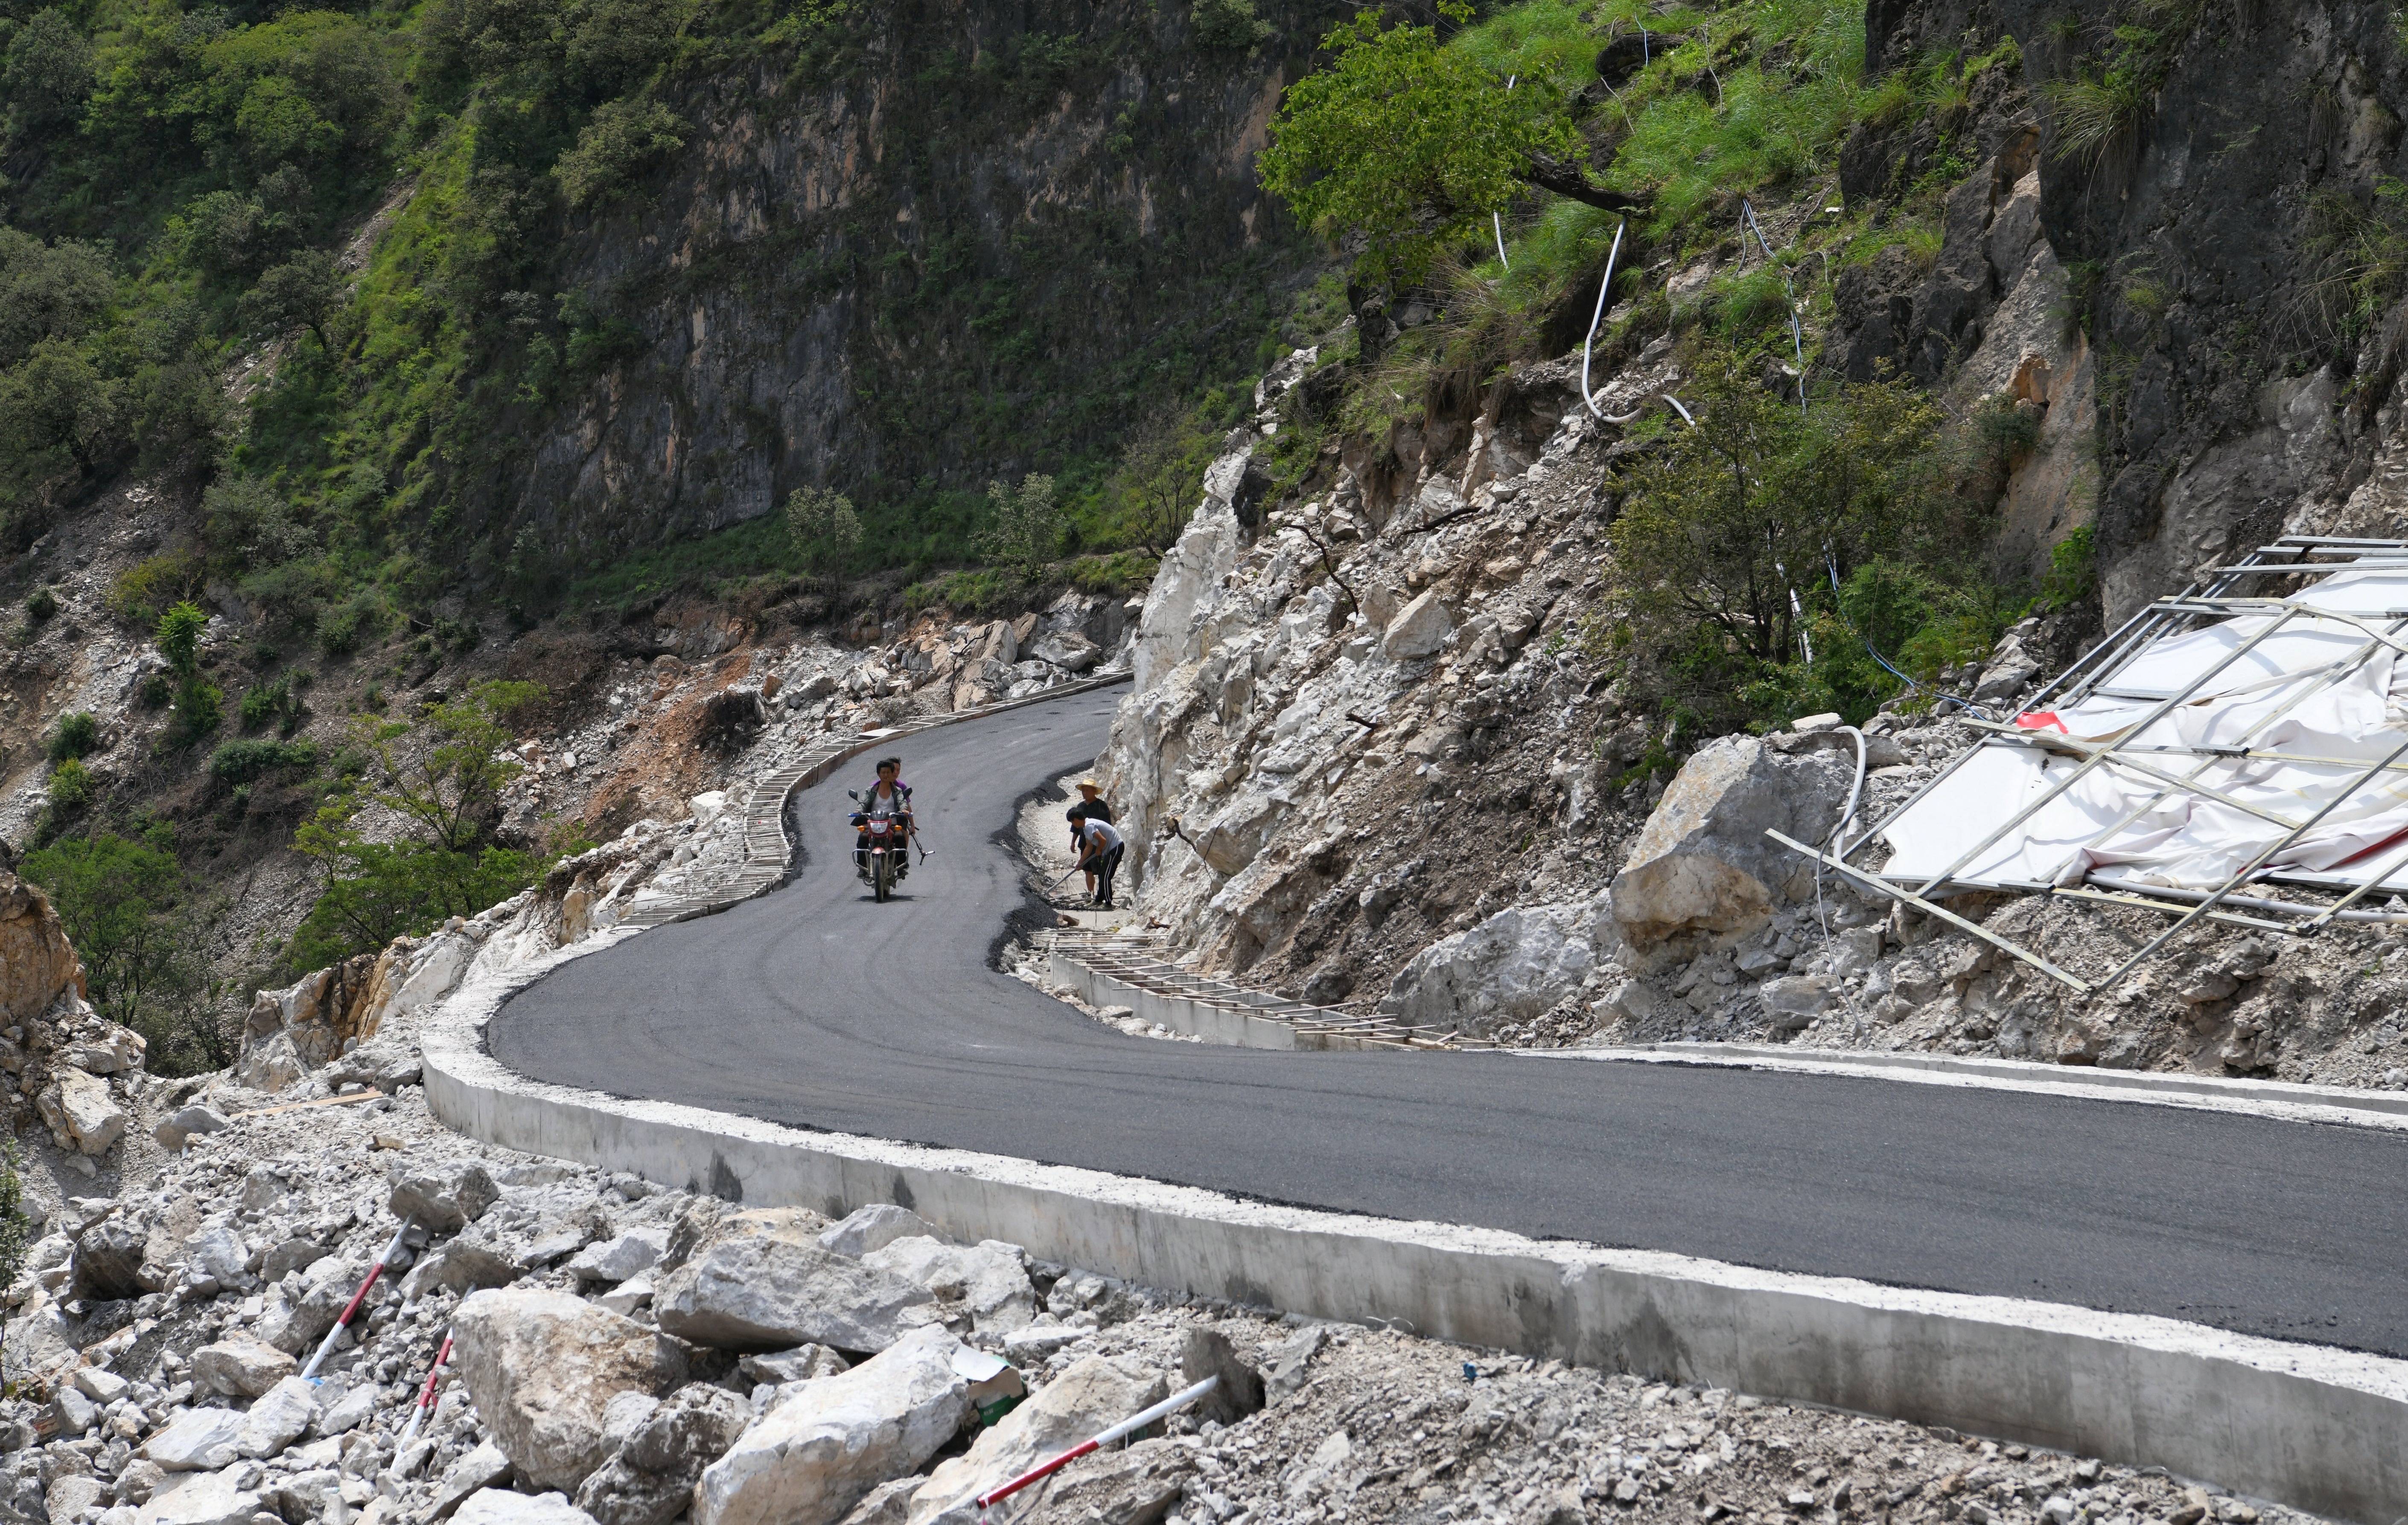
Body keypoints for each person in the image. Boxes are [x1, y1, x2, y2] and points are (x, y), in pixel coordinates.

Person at [853, 757, 914, 883]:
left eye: (888, 772)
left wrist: (904, 810)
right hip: (874, 824)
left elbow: (902, 802)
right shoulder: (871, 790)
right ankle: (862, 868)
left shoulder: (897, 791)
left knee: (899, 837)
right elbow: (864, 802)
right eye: (883, 772)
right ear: (879, 774)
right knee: (863, 838)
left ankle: (901, 867)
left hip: (891, 825)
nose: (886, 775)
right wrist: (859, 810)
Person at [1066, 778, 1114, 900]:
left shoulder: (1101, 806)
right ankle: (1091, 893)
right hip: (1085, 842)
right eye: (1083, 791)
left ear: (1094, 791)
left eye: (1087, 791)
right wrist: (1073, 842)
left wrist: (1103, 844)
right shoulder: (1081, 806)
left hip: (1099, 843)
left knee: (1102, 870)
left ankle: (1102, 894)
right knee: (1087, 870)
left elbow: (1107, 825)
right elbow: (1076, 826)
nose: (1085, 793)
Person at [1073, 813, 1125, 909]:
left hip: (1116, 847)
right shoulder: (1086, 828)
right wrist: (1080, 863)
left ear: (1076, 819)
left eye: (1072, 822)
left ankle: (1108, 904)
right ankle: (1098, 900)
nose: (1073, 824)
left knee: (1106, 876)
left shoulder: (1089, 825)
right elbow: (1089, 847)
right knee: (1102, 875)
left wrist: (1099, 849)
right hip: (1110, 850)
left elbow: (1103, 840)